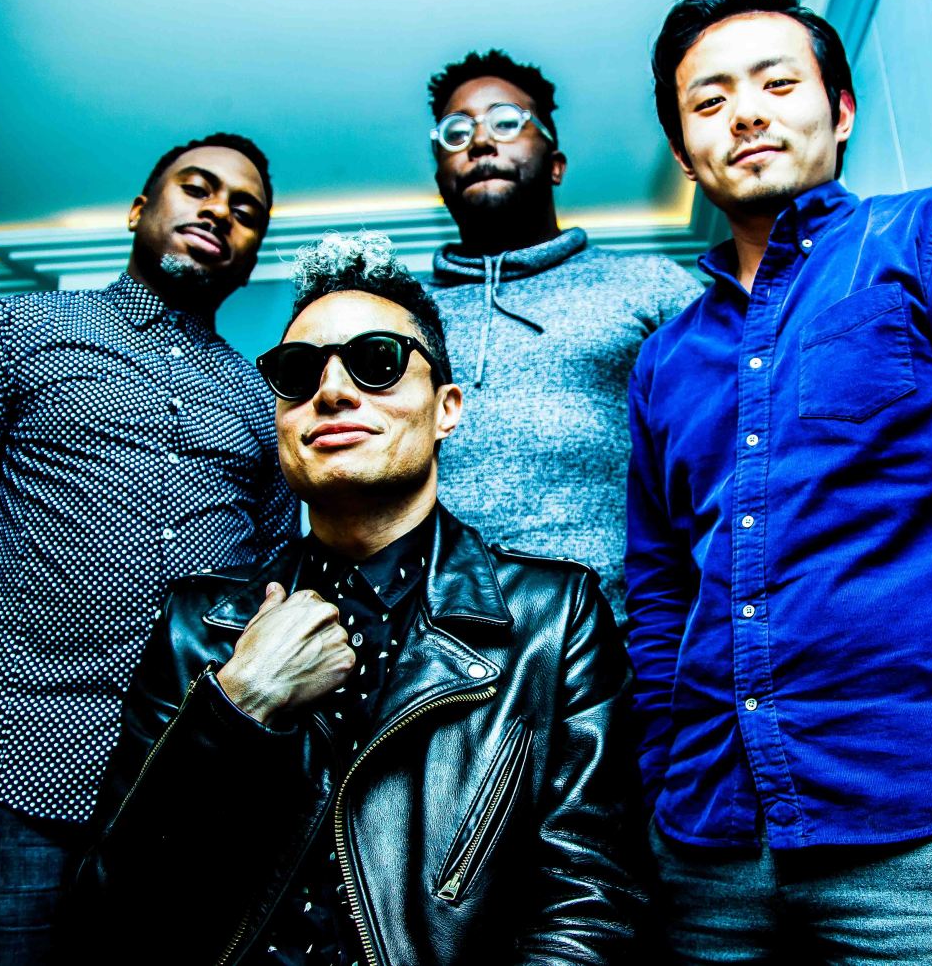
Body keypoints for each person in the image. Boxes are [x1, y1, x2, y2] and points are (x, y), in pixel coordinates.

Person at [77, 232, 645, 966]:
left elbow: (590, 906)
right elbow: (111, 919)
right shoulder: (198, 627)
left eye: (377, 362)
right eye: (298, 372)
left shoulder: (554, 618)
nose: (333, 391)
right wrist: (237, 704)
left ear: (445, 408)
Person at [626, 0, 932, 960]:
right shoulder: (664, 359)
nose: (745, 114)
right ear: (684, 155)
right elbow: (659, 593)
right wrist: (661, 778)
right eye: (709, 102)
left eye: (777, 85)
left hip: (931, 821)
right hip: (706, 846)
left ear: (841, 111)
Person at [0, 133, 299, 964]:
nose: (220, 211)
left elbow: (265, 592)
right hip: (10, 772)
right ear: (137, 210)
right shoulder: (11, 331)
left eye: (247, 211)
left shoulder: (265, 403)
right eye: (198, 187)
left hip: (185, 787)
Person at [427, 49, 702, 620]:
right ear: (440, 179)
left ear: (555, 163)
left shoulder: (651, 286)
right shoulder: (400, 315)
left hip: (623, 638)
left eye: (506, 122)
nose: (480, 141)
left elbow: (727, 454)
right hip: (435, 646)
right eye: (457, 132)